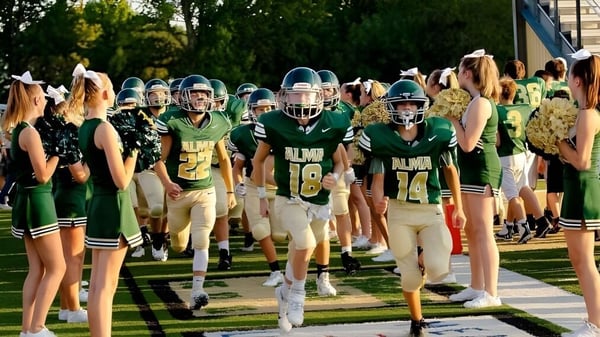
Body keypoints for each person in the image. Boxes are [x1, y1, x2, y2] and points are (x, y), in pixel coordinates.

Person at [360, 79, 466, 337]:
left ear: (421, 105)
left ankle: (422, 254)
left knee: (439, 269)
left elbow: (450, 170)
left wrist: (459, 207)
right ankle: (417, 320)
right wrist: (378, 201)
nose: (407, 108)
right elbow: (376, 181)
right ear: (392, 107)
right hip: (399, 211)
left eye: (412, 103)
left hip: (430, 209)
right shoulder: (380, 136)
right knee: (409, 279)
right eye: (402, 103)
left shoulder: (437, 132)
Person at [253, 67, 351, 332]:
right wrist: (262, 196)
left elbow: (342, 162)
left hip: (319, 201)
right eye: (295, 96)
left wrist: (335, 175)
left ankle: (283, 298)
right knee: (305, 243)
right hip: (289, 198)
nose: (301, 102)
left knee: (299, 253)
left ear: (318, 96)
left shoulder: (334, 123)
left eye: (306, 95)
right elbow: (259, 160)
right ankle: (298, 295)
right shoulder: (274, 122)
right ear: (284, 97)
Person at [154, 74, 235, 310]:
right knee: (180, 245)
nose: (201, 98)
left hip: (204, 191)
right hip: (178, 194)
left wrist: (229, 191)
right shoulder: (173, 121)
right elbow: (158, 160)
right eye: (195, 93)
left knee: (201, 240)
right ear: (183, 96)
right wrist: (167, 183)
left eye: (205, 94)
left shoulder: (218, 122)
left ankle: (198, 289)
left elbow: (223, 158)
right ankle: (169, 242)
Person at [75, 63, 143, 337]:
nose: (114, 92)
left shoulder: (85, 126)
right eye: (112, 88)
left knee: (97, 285)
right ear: (103, 94)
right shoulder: (103, 128)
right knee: (105, 286)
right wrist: (135, 150)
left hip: (100, 206)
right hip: (114, 206)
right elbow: (122, 180)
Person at [6, 71, 65, 337]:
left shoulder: (21, 129)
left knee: (37, 269)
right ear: (34, 101)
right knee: (57, 268)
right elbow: (43, 175)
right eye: (41, 97)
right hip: (38, 201)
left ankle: (27, 329)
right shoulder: (29, 133)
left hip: (26, 201)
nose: (45, 101)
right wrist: (57, 155)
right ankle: (38, 327)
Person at [446, 49, 503, 308]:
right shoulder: (474, 100)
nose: (458, 75)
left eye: (460, 71)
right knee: (471, 229)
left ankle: (491, 292)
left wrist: (453, 121)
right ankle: (476, 285)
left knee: (484, 231)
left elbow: (468, 143)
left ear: (468, 73)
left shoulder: (481, 103)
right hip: (470, 169)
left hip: (481, 168)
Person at [556, 49, 600, 337]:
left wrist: (558, 143)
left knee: (583, 262)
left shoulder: (587, 114)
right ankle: (593, 320)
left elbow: (582, 161)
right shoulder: (584, 111)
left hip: (584, 189)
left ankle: (595, 324)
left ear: (577, 79)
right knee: (579, 260)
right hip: (578, 188)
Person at [228, 88, 285, 286]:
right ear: (252, 111)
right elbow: (238, 167)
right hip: (254, 187)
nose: (264, 112)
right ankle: (275, 271)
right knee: (260, 230)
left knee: (280, 235)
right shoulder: (243, 135)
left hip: (280, 188)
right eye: (260, 109)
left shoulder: (285, 129)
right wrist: (238, 184)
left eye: (268, 108)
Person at [46, 84, 90, 324]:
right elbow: (79, 174)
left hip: (69, 195)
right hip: (70, 196)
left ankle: (66, 306)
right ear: (65, 114)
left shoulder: (62, 133)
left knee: (74, 256)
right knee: (72, 257)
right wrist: (95, 159)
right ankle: (73, 309)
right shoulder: (68, 134)